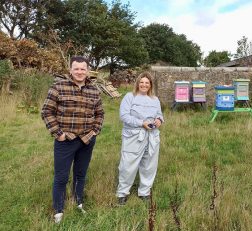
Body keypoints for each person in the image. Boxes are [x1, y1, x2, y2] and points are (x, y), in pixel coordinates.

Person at [41, 56, 104, 223]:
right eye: (76, 68)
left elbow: (100, 114)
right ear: (70, 70)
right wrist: (59, 134)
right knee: (61, 176)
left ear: (88, 70)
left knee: (80, 174)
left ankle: (78, 203)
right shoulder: (58, 87)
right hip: (65, 140)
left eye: (83, 69)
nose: (80, 72)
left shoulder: (94, 90)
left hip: (87, 140)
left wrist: (95, 131)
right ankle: (58, 210)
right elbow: (46, 111)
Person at [116, 71, 164, 205]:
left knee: (149, 165)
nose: (144, 85)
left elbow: (160, 114)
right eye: (141, 82)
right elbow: (124, 116)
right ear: (137, 83)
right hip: (134, 136)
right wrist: (141, 123)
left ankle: (144, 192)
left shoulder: (155, 99)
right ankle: (122, 193)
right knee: (128, 165)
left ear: (150, 85)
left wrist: (159, 120)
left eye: (147, 83)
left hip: (152, 136)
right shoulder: (129, 97)